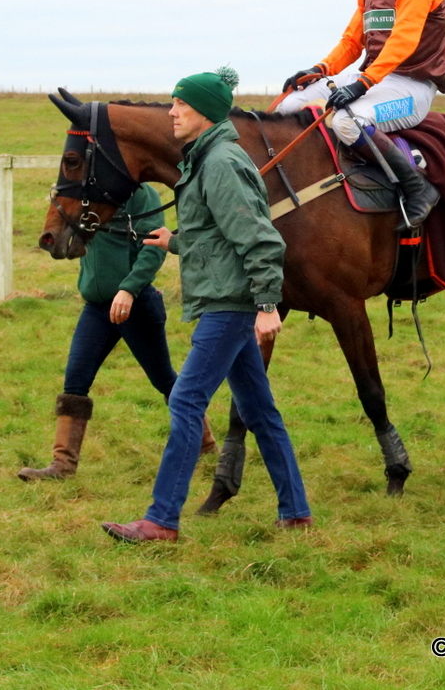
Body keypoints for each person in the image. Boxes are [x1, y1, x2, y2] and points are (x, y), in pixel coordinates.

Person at [101, 67, 312, 542]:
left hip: (231, 303)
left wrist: (267, 304)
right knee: (260, 411)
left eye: (182, 104)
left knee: (186, 399)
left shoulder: (220, 163)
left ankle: (161, 520)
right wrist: (174, 241)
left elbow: (259, 238)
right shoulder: (206, 158)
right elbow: (219, 233)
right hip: (228, 296)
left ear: (206, 112)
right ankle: (296, 512)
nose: (172, 112)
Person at [18, 183, 213, 481]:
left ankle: (205, 445)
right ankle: (62, 465)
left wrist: (129, 289)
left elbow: (152, 250)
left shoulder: (142, 195)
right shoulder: (88, 196)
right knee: (75, 381)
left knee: (164, 380)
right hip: (96, 308)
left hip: (136, 305)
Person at [275, 0, 443, 228]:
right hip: (377, 80)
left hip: (412, 88)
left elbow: (403, 42)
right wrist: (319, 70)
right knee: (288, 106)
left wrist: (362, 83)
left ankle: (418, 189)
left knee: (346, 122)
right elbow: (352, 42)